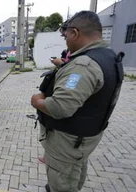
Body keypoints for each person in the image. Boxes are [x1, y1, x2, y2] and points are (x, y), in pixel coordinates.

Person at [31, 11, 124, 192]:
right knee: (74, 177)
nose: (65, 41)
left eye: (66, 36)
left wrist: (37, 101)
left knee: (61, 185)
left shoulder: (83, 65)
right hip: (83, 139)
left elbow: (59, 107)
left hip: (68, 142)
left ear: (75, 33)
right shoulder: (109, 56)